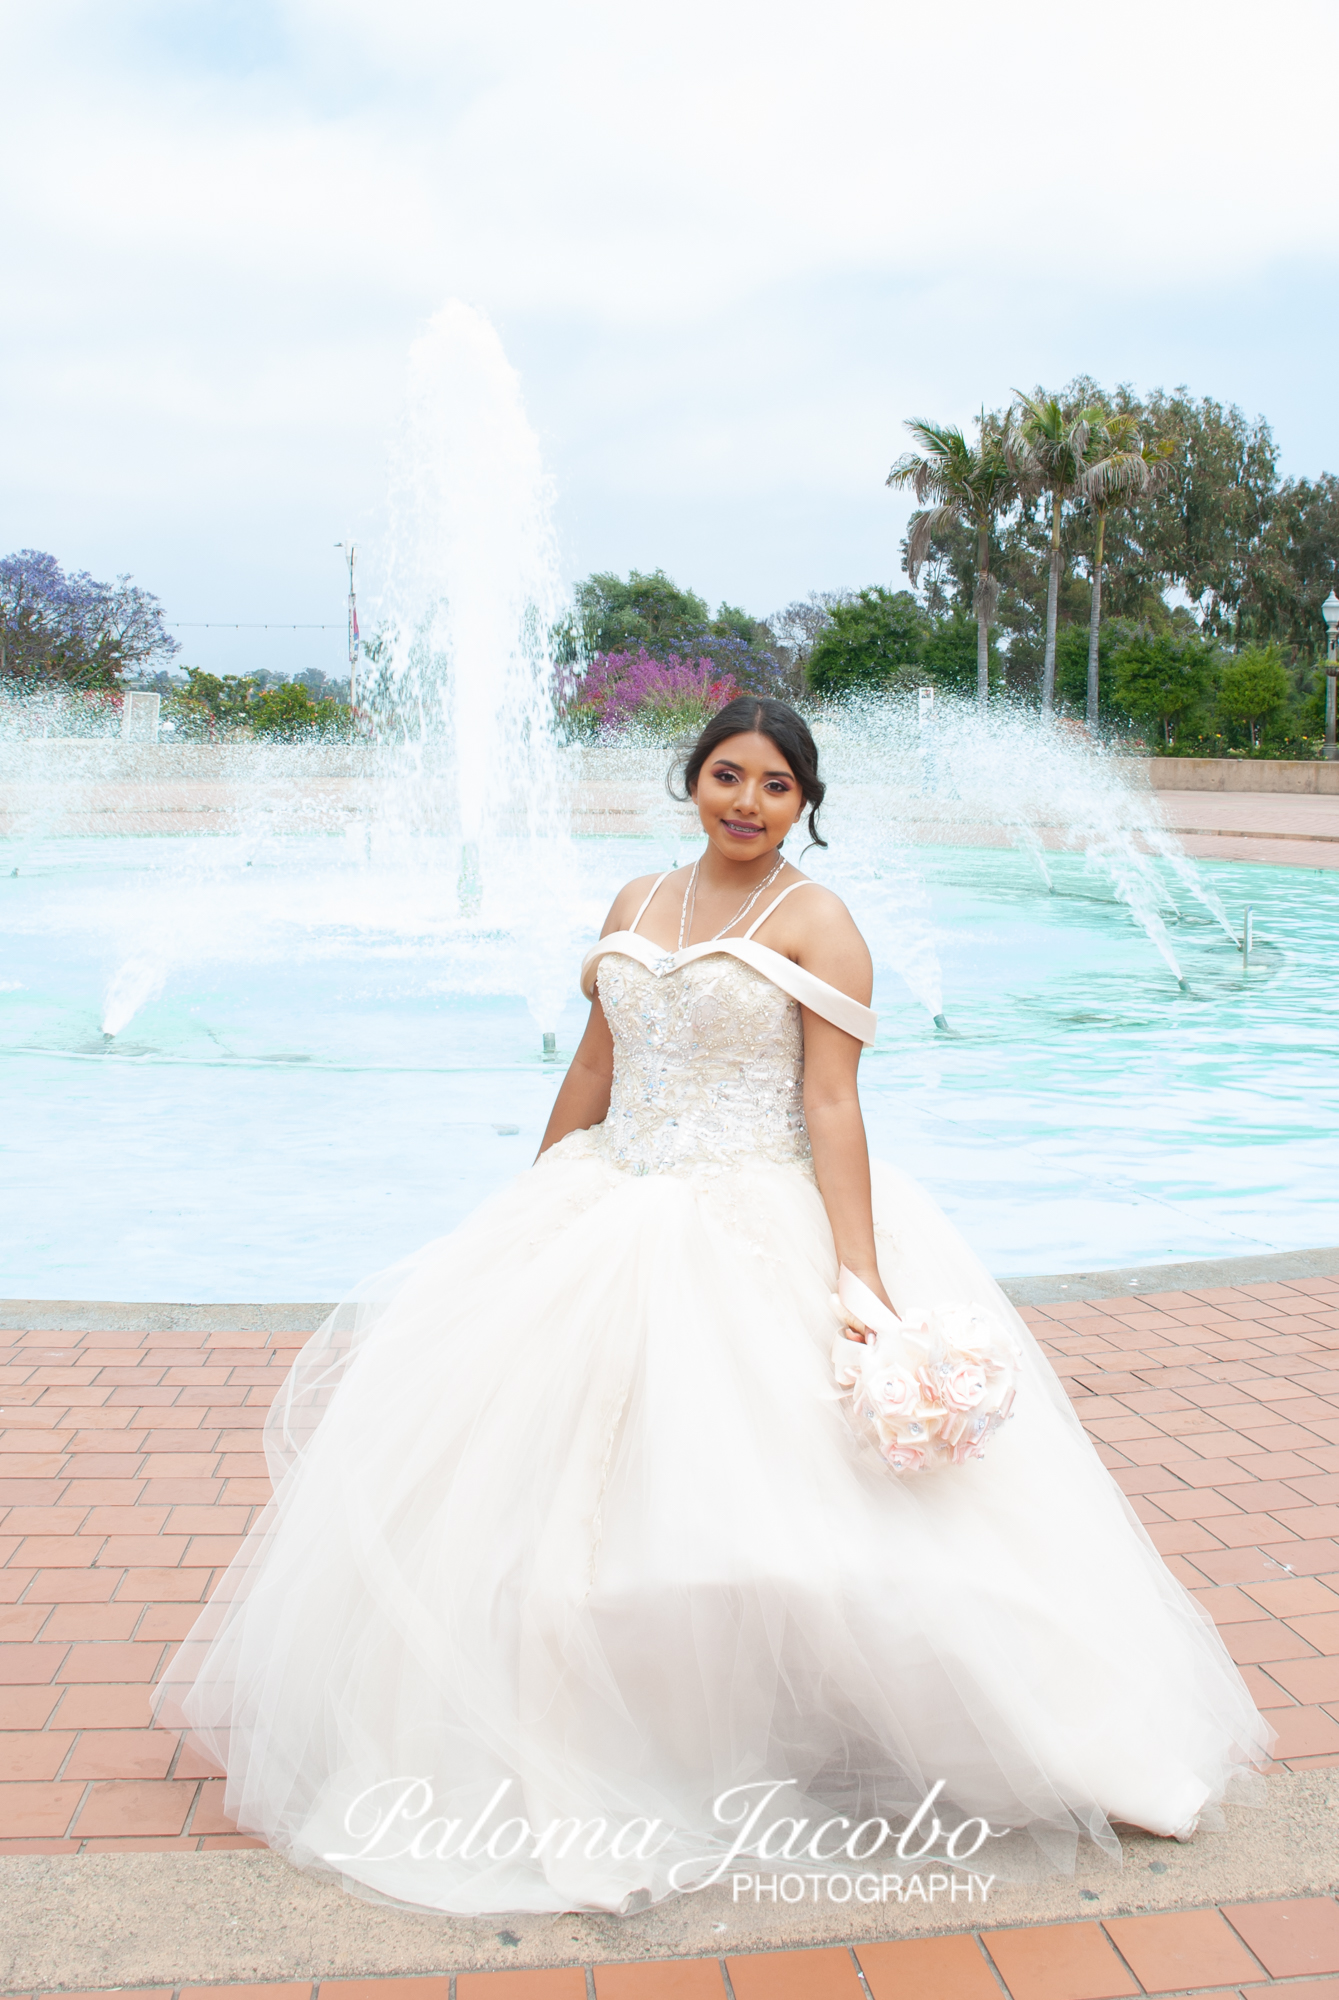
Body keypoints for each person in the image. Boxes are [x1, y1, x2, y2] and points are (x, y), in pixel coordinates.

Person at [155, 696, 1268, 1916]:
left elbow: (830, 1104)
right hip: (601, 1202)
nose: (747, 800)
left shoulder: (821, 920)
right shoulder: (634, 902)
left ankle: (1051, 1738)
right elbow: (594, 1062)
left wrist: (860, 1275)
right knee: (553, 1515)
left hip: (751, 1215)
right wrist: (530, 1206)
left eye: (776, 784)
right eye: (727, 774)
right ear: (692, 780)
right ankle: (584, 1743)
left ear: (806, 804)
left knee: (818, 1517)